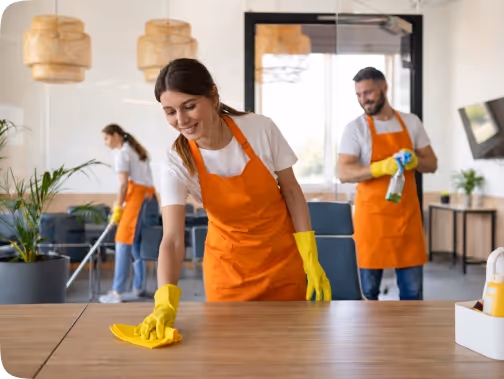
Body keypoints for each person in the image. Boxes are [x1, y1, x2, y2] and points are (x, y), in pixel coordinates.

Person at [134, 58, 331, 340]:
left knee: (290, 352)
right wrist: (164, 300)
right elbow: (173, 239)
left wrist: (309, 256)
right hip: (228, 274)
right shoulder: (176, 162)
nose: (181, 120)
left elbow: (290, 191)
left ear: (213, 95)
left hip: (283, 264)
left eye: (189, 106)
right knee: (230, 357)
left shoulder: (260, 129)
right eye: (170, 112)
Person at [337, 67, 438, 301]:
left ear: (384, 88)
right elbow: (343, 172)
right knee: (366, 296)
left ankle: (410, 337)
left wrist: (416, 161)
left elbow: (431, 163)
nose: (364, 100)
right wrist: (379, 167)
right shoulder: (355, 129)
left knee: (413, 294)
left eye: (369, 92)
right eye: (359, 95)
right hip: (372, 223)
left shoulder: (411, 122)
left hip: (407, 222)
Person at [99, 124, 160, 303]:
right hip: (149, 199)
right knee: (137, 245)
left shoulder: (123, 153)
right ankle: (139, 287)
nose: (106, 143)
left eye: (106, 138)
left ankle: (117, 291)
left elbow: (124, 185)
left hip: (137, 199)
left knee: (123, 242)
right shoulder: (135, 150)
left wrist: (117, 207)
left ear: (116, 135)